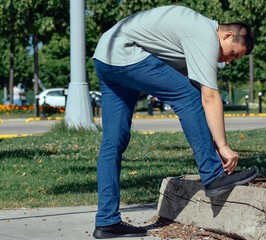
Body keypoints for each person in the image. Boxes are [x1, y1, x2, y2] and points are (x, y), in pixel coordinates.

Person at [92, 5, 257, 239]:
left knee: (113, 141)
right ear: (228, 35)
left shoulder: (195, 34)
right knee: (189, 97)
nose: (228, 61)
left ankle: (106, 221)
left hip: (105, 56)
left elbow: (197, 91)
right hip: (125, 53)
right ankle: (212, 175)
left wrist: (213, 143)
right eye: (233, 54)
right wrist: (222, 146)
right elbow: (208, 96)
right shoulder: (204, 35)